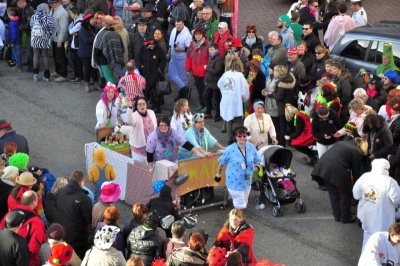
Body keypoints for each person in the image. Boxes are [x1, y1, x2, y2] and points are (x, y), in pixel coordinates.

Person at [311, 138, 368, 222]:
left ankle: (337, 216)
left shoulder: (342, 143)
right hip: (337, 169)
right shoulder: (356, 151)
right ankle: (345, 217)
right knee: (346, 193)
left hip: (323, 168)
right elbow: (356, 172)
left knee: (333, 192)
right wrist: (357, 187)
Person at [353, 159, 400, 250]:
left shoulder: (364, 177)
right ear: (386, 169)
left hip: (366, 217)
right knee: (382, 244)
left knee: (367, 242)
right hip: (383, 220)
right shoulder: (390, 181)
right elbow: (397, 200)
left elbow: (356, 195)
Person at [215, 126, 261, 210]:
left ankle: (234, 222)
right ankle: (237, 222)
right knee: (240, 207)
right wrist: (218, 174)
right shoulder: (230, 149)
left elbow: (257, 159)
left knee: (243, 204)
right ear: (235, 137)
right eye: (239, 136)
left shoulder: (251, 147)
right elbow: (222, 162)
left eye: (244, 136)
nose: (242, 138)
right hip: (234, 182)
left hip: (247, 182)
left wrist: (257, 166)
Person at [1, 190, 47, 266]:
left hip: (6, 258)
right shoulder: (36, 222)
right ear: (34, 202)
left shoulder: (9, 215)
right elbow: (34, 248)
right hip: (27, 261)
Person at [56, 170, 93, 259]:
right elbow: (89, 219)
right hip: (79, 240)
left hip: (64, 235)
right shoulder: (83, 198)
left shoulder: (60, 192)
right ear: (81, 182)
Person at [218, 54, 250, 144]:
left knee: (229, 119)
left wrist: (225, 92)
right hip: (236, 101)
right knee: (238, 121)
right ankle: (238, 137)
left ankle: (229, 139)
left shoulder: (226, 74)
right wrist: (244, 98)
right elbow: (245, 89)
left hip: (226, 100)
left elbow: (219, 84)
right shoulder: (240, 76)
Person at [137, 37, 166, 113]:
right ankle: (151, 102)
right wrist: (142, 65)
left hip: (155, 72)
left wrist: (160, 69)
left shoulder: (158, 49)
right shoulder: (143, 47)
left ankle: (156, 106)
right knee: (149, 88)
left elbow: (163, 59)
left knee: (152, 88)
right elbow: (139, 56)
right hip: (145, 72)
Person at [93, 15, 125, 84]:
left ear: (104, 23)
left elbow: (97, 49)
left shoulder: (103, 34)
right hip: (113, 58)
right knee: (110, 75)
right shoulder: (116, 34)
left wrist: (95, 58)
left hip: (104, 59)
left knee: (108, 76)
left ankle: (113, 92)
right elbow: (122, 48)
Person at [125, 96, 157, 163]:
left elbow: (156, 127)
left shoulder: (151, 112)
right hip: (139, 148)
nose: (142, 106)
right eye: (139, 104)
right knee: (140, 169)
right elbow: (129, 121)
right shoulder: (134, 115)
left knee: (151, 169)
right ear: (136, 106)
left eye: (144, 104)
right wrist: (130, 107)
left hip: (152, 147)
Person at [168, 18, 192, 101]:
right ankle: (185, 89)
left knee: (183, 77)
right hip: (173, 56)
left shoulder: (187, 34)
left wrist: (180, 49)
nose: (178, 26)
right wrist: (168, 53)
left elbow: (190, 48)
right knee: (171, 74)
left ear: (183, 24)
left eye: (180, 24)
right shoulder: (174, 30)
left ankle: (183, 95)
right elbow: (171, 44)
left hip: (182, 58)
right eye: (177, 24)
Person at [186, 27, 209, 112]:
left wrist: (208, 70)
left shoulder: (207, 45)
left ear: (203, 35)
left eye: (200, 34)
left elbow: (210, 59)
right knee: (199, 89)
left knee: (205, 90)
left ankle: (207, 106)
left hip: (205, 72)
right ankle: (202, 104)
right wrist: (188, 69)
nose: (198, 36)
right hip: (195, 72)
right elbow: (188, 58)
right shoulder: (191, 45)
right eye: (196, 34)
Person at [30, 3, 55, 82]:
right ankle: (46, 75)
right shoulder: (48, 17)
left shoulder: (34, 16)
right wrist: (49, 35)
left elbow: (31, 25)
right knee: (45, 56)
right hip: (45, 38)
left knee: (36, 55)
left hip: (35, 38)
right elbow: (52, 28)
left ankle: (35, 74)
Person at [273, 65, 296, 147]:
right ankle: (293, 142)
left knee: (283, 126)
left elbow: (279, 97)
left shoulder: (281, 83)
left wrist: (273, 93)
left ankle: (282, 144)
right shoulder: (291, 77)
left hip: (283, 108)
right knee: (291, 124)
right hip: (291, 106)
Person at [48, 0, 69, 83]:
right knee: (56, 56)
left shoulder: (62, 13)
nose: (50, 4)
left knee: (61, 57)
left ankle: (64, 74)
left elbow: (63, 28)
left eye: (51, 3)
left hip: (58, 38)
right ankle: (58, 71)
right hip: (54, 37)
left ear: (57, 3)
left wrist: (60, 40)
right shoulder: (53, 10)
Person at [204, 43, 224, 121]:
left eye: (212, 50)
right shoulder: (211, 57)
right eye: (209, 49)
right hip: (209, 81)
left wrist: (207, 68)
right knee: (205, 96)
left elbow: (217, 71)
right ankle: (208, 112)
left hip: (216, 82)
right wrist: (206, 79)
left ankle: (217, 115)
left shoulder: (218, 59)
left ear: (216, 50)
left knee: (217, 100)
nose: (210, 51)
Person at [331, 58, 353, 124]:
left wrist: (339, 103)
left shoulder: (345, 81)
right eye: (332, 68)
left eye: (335, 68)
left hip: (343, 106)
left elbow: (347, 95)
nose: (333, 70)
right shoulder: (335, 77)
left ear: (340, 69)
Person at [7, 7, 22, 72]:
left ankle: (18, 66)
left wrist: (12, 42)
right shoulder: (17, 20)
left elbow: (13, 33)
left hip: (14, 41)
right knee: (18, 53)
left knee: (16, 53)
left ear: (8, 14)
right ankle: (19, 65)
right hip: (18, 39)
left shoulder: (12, 23)